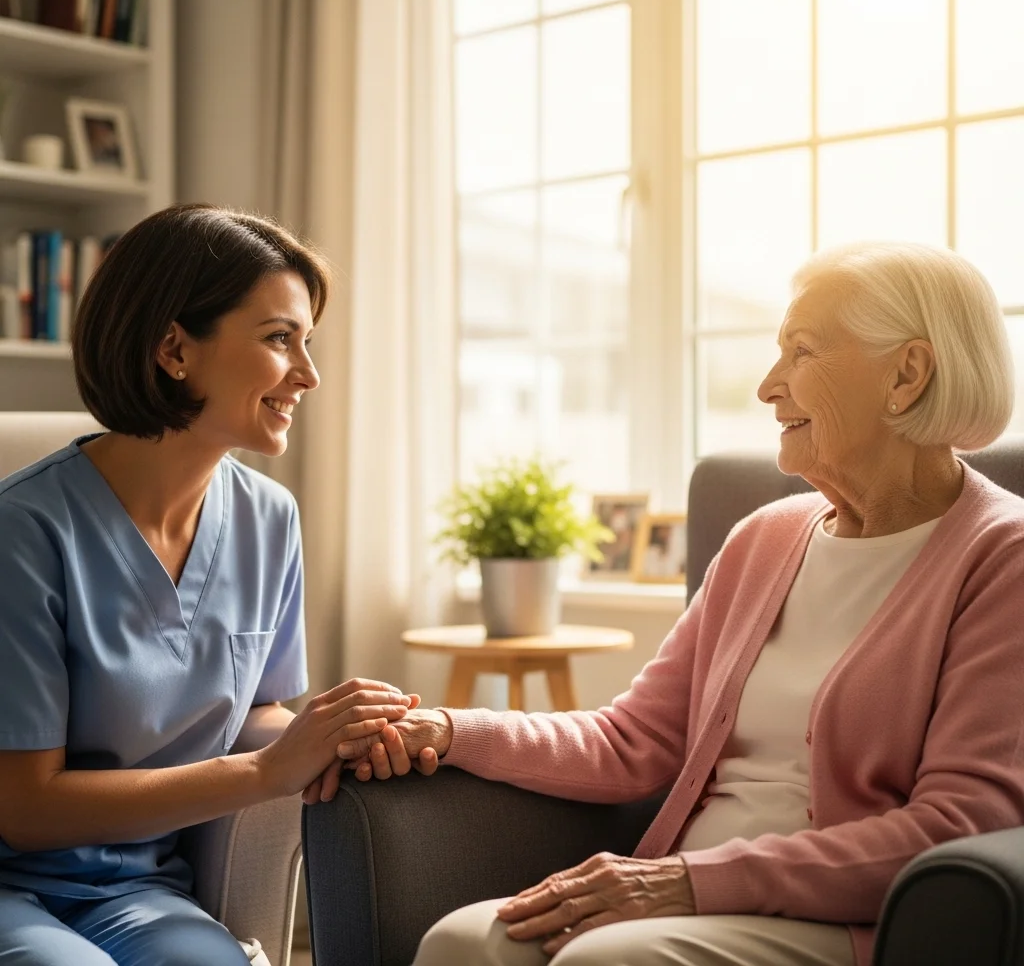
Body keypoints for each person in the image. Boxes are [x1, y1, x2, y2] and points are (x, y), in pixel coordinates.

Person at [337, 241, 1024, 966]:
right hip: (682, 892)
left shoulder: (1001, 556)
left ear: (907, 374)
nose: (767, 386)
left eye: (802, 352)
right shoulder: (766, 537)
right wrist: (447, 729)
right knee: (461, 942)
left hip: (836, 920)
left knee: (601, 963)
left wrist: (688, 882)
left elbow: (955, 827)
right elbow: (632, 741)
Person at [0, 204, 417, 965]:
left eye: (307, 342)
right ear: (173, 350)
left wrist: (331, 736)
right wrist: (263, 770)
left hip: (140, 892)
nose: (309, 374)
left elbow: (257, 710)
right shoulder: (25, 530)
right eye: (279, 338)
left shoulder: (270, 519)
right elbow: (24, 807)